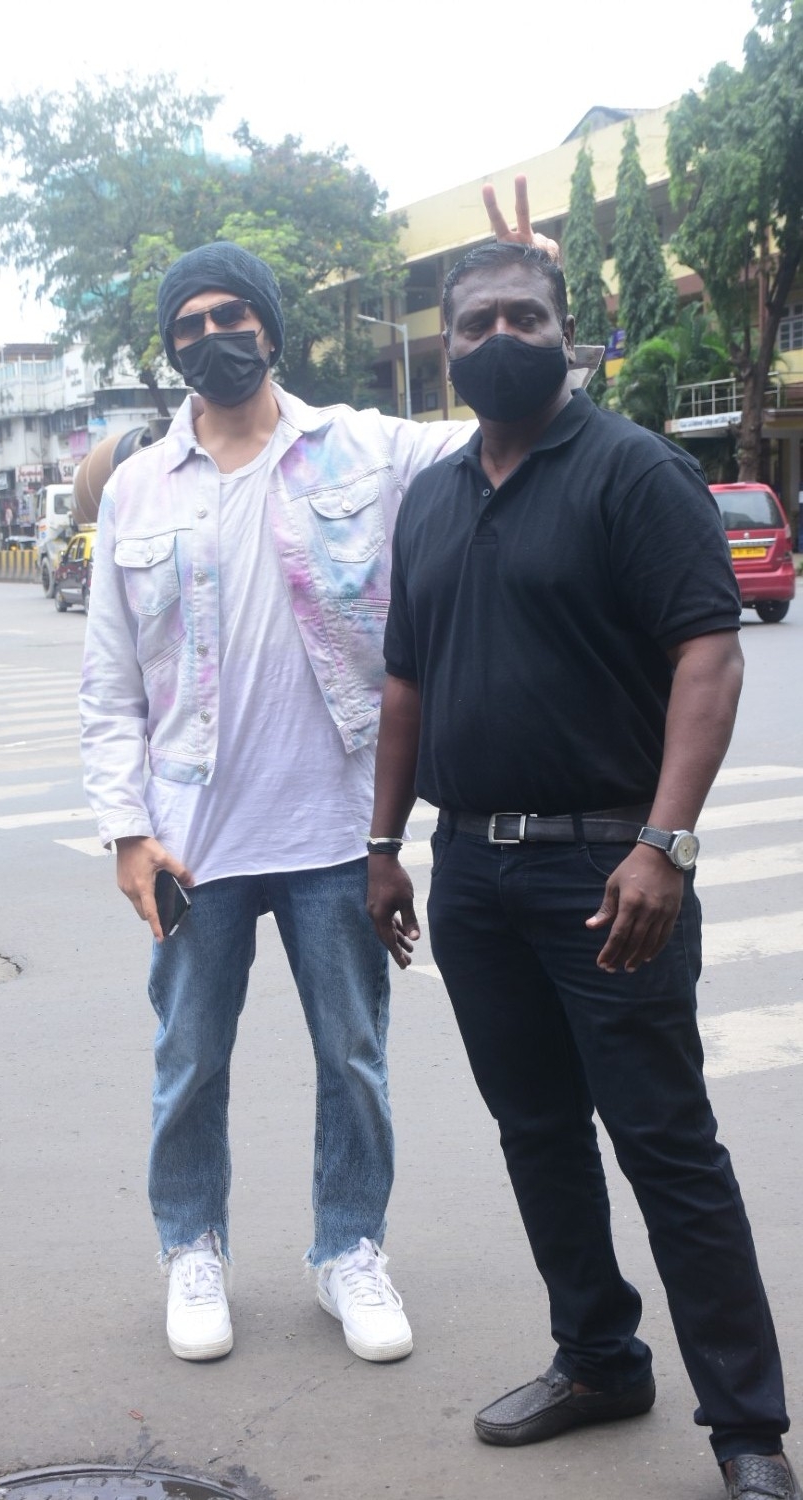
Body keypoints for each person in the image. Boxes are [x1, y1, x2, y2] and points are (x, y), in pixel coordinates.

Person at [79, 184, 553, 1365]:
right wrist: (126, 831)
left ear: (272, 329)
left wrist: (538, 284)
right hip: (196, 841)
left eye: (231, 315)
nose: (209, 338)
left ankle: (350, 1250)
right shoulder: (138, 489)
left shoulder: (363, 448)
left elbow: (518, 420)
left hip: (342, 829)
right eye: (185, 325)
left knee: (354, 1053)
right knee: (189, 1058)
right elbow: (108, 691)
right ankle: (191, 1248)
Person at [367, 237, 796, 1500]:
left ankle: (747, 1429)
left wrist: (664, 842)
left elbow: (706, 663)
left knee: (665, 1142)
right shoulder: (435, 500)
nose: (498, 338)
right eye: (474, 323)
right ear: (445, 349)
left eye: (522, 315)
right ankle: (598, 1359)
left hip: (610, 865)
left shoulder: (634, 472)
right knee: (538, 1133)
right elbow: (404, 684)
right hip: (475, 880)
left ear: (568, 331)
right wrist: (383, 845)